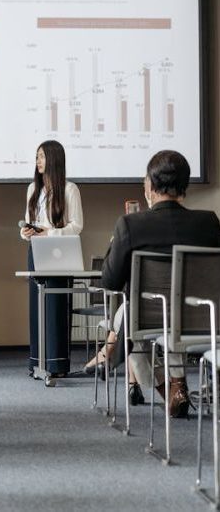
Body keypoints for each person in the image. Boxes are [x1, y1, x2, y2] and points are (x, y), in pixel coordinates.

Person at [100, 149, 220, 417]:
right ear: (184, 187)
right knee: (131, 322)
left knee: (128, 326)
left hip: (148, 319)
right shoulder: (209, 223)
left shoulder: (131, 225)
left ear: (150, 185)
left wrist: (113, 247)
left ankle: (169, 390)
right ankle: (177, 386)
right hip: (203, 319)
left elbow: (109, 280)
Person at [20, 140, 83, 379]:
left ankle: (56, 365)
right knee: (37, 305)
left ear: (54, 160)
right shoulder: (32, 189)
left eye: (42, 157)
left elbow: (77, 225)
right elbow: (28, 220)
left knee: (56, 307)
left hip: (60, 252)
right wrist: (26, 232)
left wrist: (50, 232)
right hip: (36, 250)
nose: (38, 161)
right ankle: (37, 362)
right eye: (36, 156)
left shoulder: (69, 189)